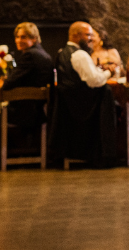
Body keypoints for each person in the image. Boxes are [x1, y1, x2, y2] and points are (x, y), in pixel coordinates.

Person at [50, 21, 119, 168]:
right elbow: (95, 80)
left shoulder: (62, 53)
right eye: (88, 34)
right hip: (85, 109)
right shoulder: (80, 54)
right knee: (115, 105)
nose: (91, 38)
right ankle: (106, 154)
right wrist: (110, 72)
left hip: (70, 107)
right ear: (76, 35)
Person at [0, 22, 54, 136]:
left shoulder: (30, 55)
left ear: (34, 38)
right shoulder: (43, 54)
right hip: (40, 109)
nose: (18, 40)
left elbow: (8, 84)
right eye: (17, 37)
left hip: (27, 112)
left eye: (23, 37)